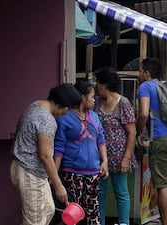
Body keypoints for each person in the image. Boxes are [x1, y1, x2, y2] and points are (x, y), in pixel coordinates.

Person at [10, 83, 81, 225]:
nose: (66, 113)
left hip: (26, 168)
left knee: (48, 209)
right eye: (68, 109)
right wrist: (59, 186)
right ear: (60, 103)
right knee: (35, 221)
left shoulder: (36, 105)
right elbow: (45, 156)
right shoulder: (47, 120)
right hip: (30, 173)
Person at [136, 58, 167, 225]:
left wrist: (138, 130)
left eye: (140, 71)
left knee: (162, 185)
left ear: (147, 73)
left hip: (161, 139)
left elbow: (143, 113)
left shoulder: (145, 87)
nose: (139, 74)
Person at [54, 81, 109, 225]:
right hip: (72, 172)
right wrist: (54, 173)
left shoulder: (94, 116)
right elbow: (59, 146)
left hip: (93, 171)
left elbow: (101, 139)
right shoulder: (65, 118)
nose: (94, 99)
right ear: (83, 97)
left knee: (92, 210)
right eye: (92, 96)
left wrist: (105, 161)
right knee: (72, 212)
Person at [94, 67, 138, 225]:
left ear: (104, 85)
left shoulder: (123, 103)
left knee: (121, 192)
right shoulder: (97, 102)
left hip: (119, 157)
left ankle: (124, 223)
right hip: (100, 157)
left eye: (97, 83)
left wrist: (126, 159)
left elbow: (132, 133)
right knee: (100, 192)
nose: (95, 86)